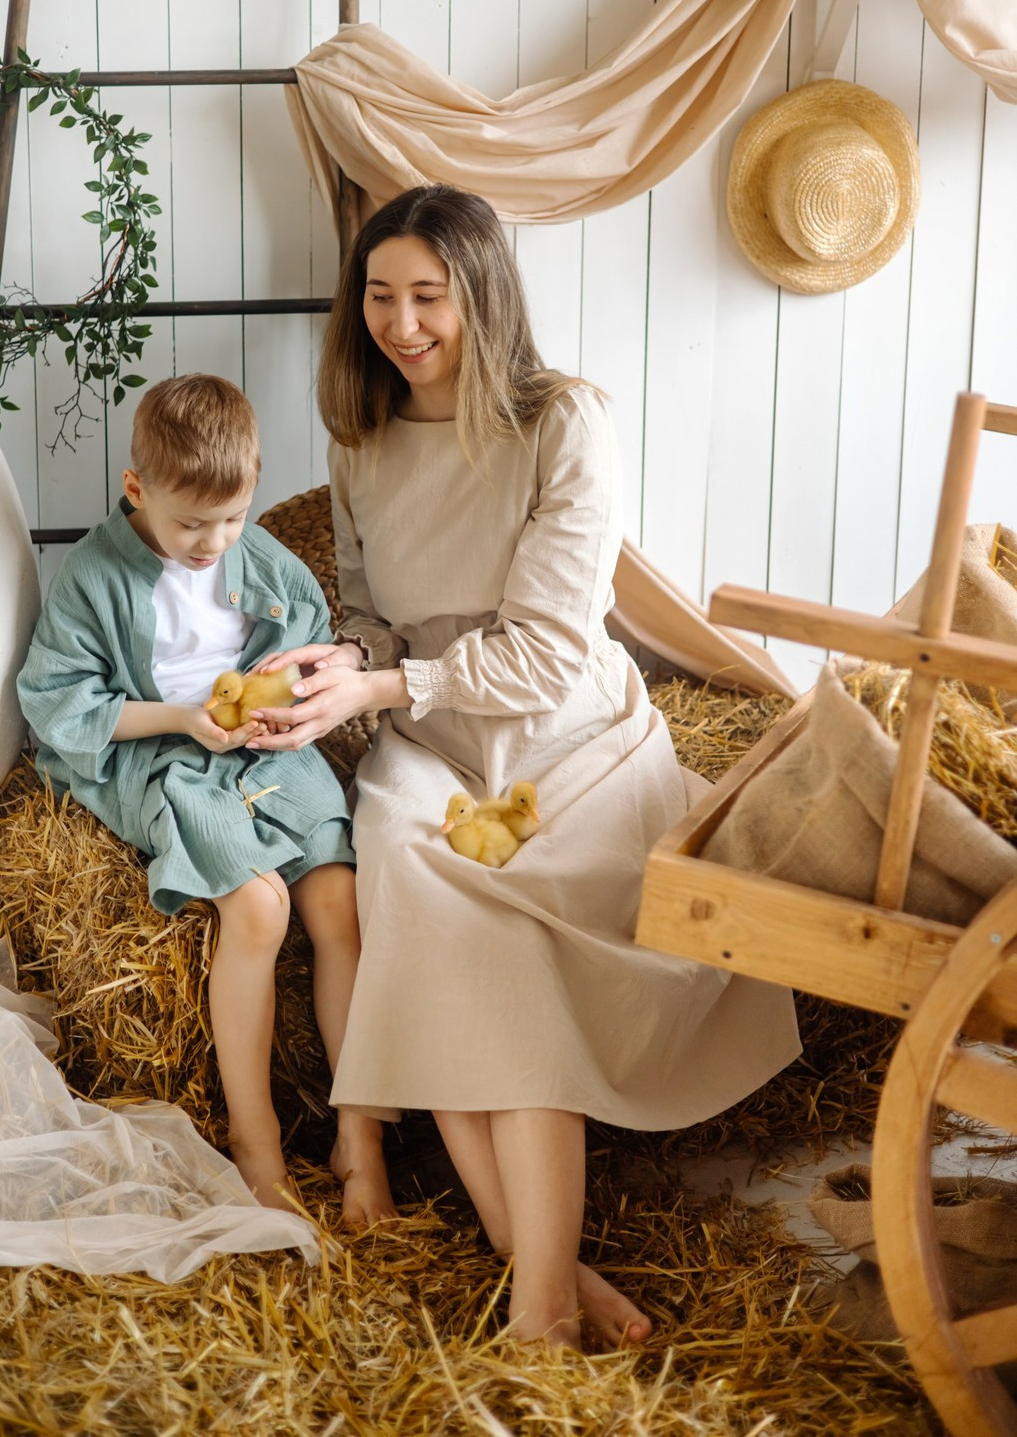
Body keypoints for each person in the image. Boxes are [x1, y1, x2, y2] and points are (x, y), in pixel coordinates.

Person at [244, 185, 800, 1347]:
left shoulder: (565, 422)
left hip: (566, 745)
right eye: (380, 297)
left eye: (427, 298)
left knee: (487, 939)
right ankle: (549, 1285)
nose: (401, 324)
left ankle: (537, 1298)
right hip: (428, 750)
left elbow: (548, 652)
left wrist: (383, 685)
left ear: (481, 296)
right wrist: (336, 665)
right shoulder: (360, 436)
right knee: (433, 919)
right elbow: (374, 622)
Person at [17, 374, 395, 1226]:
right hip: (162, 750)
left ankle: (359, 1133)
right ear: (137, 489)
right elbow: (56, 700)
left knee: (339, 899)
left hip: (257, 742)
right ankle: (255, 1141)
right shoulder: (92, 576)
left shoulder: (259, 557)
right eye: (191, 523)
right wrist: (185, 718)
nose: (212, 540)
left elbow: (306, 649)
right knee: (259, 909)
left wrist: (288, 700)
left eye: (232, 519)